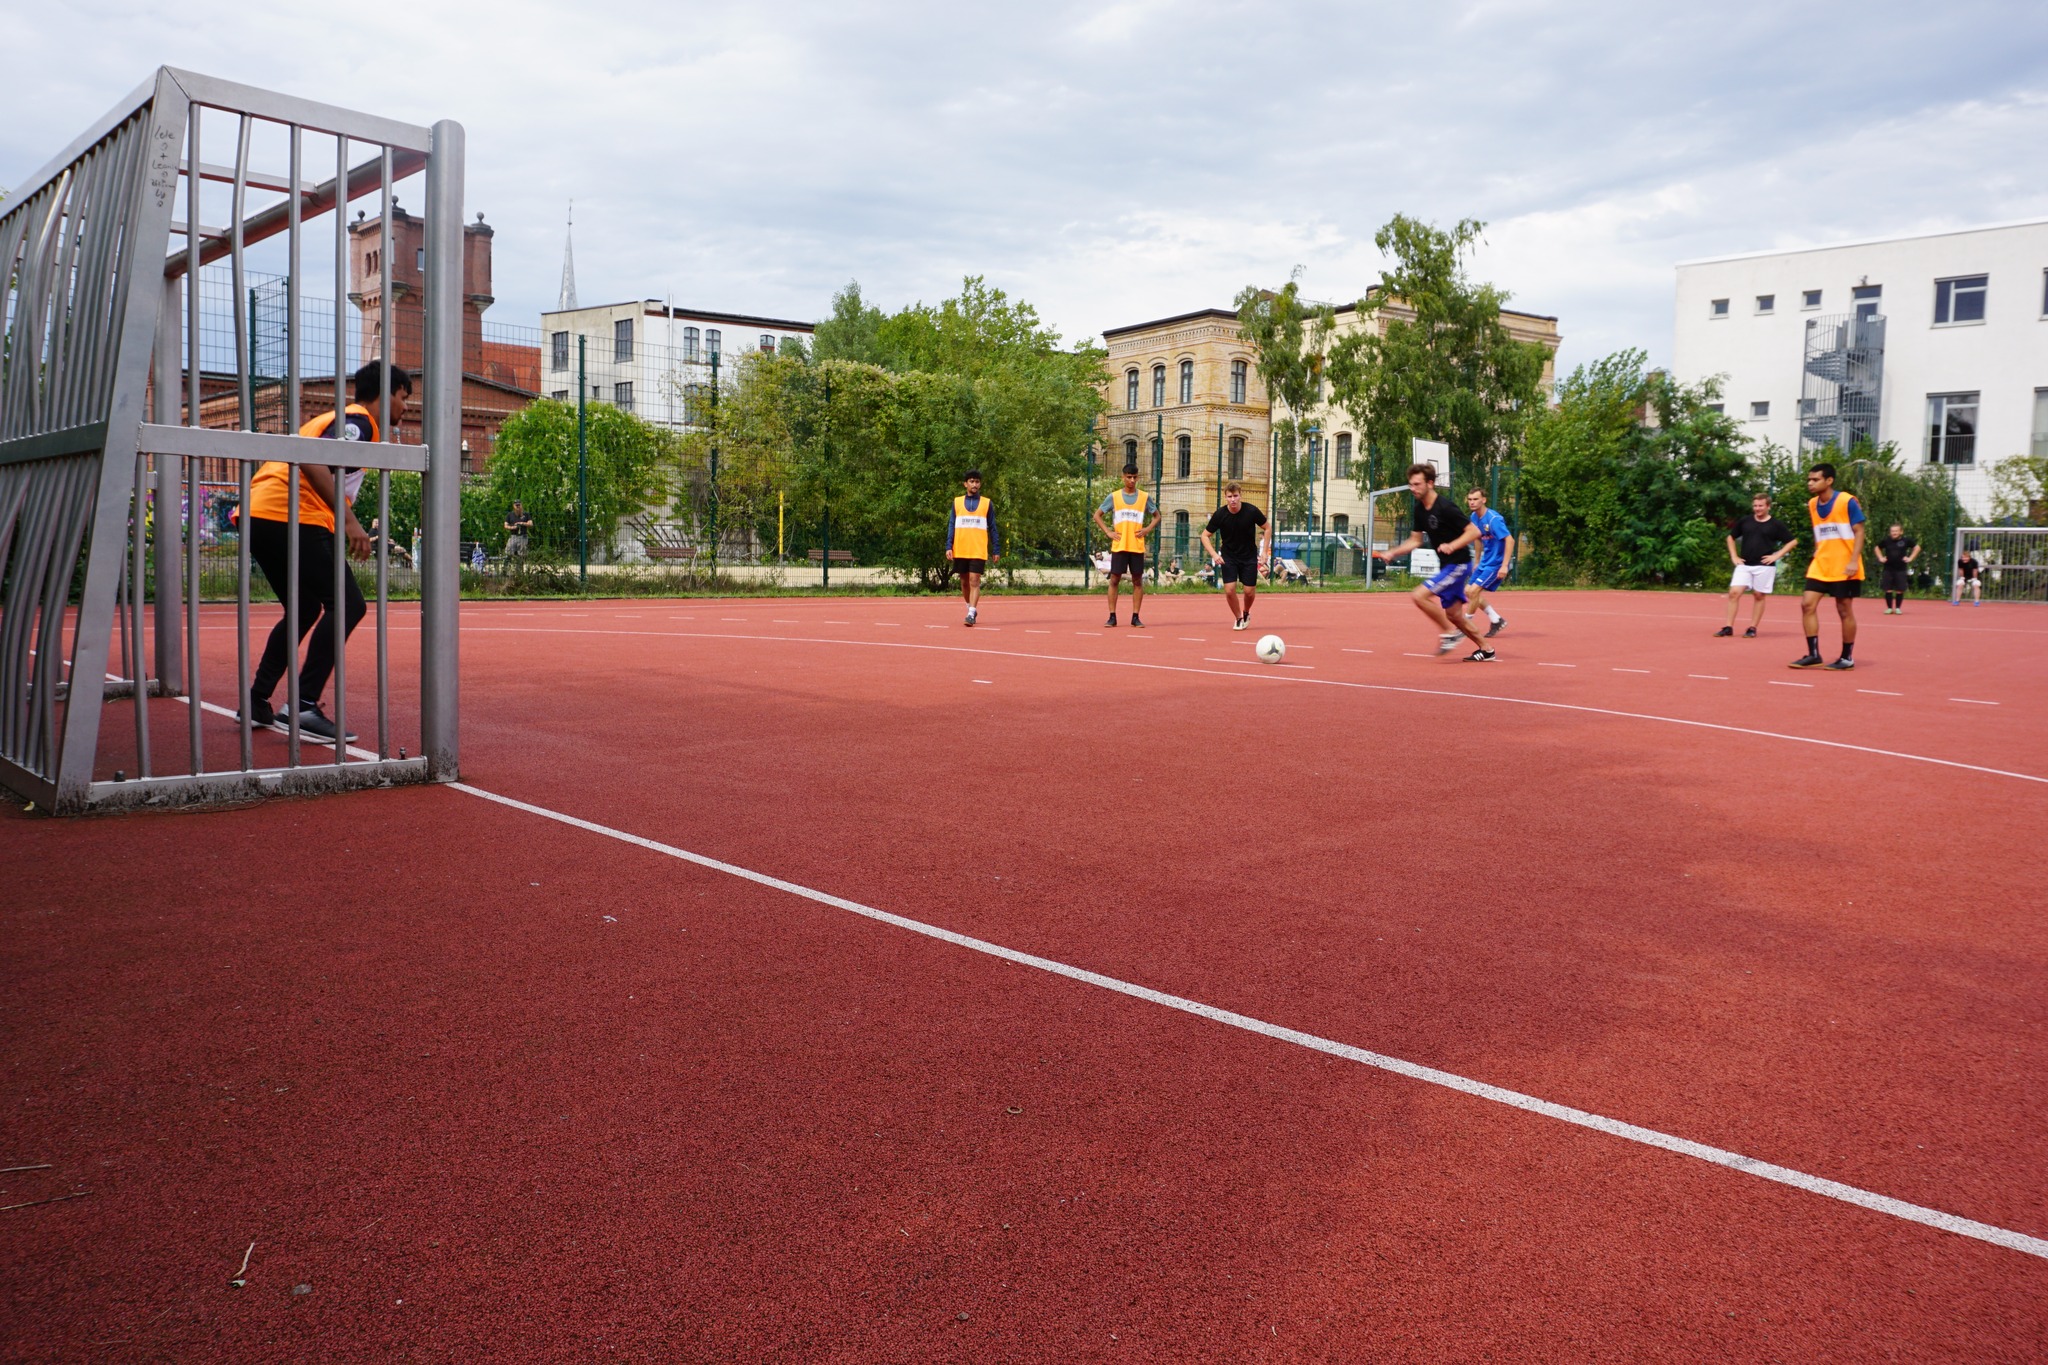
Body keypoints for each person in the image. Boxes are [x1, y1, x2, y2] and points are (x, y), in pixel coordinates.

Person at [240, 361, 410, 744]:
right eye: (403, 398)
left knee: (305, 607)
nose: (405, 408)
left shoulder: (344, 419)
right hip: (288, 512)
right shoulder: (360, 421)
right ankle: (302, 704)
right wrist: (349, 521)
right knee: (349, 604)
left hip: (259, 512)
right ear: (387, 392)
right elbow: (317, 460)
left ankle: (257, 698)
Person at [1374, 463, 1490, 661]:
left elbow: (1474, 532)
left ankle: (1449, 634)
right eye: (1410, 485)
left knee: (1419, 596)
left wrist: (1452, 545)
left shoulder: (1445, 507)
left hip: (1459, 564)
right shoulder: (1419, 509)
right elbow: (1415, 540)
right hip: (1446, 565)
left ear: (1430, 483)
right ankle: (1486, 649)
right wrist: (1393, 552)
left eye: (1417, 484)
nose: (1413, 489)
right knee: (1454, 615)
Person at [1790, 461, 1864, 670]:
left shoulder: (1847, 501)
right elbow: (1820, 530)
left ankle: (1847, 657)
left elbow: (1859, 532)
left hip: (1844, 565)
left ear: (1829, 480)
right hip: (1821, 563)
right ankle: (1814, 654)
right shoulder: (1813, 504)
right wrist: (1817, 549)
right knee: (1807, 604)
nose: (1810, 483)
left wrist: (1853, 561)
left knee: (1844, 609)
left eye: (1815, 479)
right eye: (1809, 480)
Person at [1717, 493, 1796, 637]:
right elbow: (1730, 537)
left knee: (1759, 595)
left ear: (1768, 506)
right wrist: (1734, 556)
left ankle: (1752, 628)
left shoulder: (1776, 524)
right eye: (1755, 506)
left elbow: (1792, 541)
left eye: (1760, 506)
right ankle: (1728, 627)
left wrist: (1777, 555)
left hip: (1764, 566)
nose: (1757, 509)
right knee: (1734, 593)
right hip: (1744, 565)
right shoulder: (1745, 521)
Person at [1092, 463, 1158, 628]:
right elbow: (1097, 515)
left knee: (1137, 581)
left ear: (1138, 478)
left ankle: (1135, 617)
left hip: (1136, 545)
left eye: (1134, 477)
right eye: (1129, 477)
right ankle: (1112, 616)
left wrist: (1147, 529)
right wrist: (1108, 532)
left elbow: (1157, 516)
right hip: (1120, 544)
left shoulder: (1144, 497)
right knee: (1114, 579)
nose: (1132, 480)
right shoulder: (1114, 497)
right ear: (1123, 477)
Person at [1200, 482, 1270, 630]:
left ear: (1240, 496)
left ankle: (1246, 612)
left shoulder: (1251, 511)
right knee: (1230, 590)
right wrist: (1214, 554)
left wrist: (1264, 552)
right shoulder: (1220, 514)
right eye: (1230, 496)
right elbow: (1205, 536)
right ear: (1225, 497)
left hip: (1249, 556)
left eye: (1235, 496)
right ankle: (1238, 618)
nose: (1233, 499)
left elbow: (1267, 527)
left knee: (1249, 592)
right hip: (1229, 556)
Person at [945, 469, 1000, 626]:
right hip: (961, 548)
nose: (974, 484)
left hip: (978, 549)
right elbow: (951, 524)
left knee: (974, 580)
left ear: (980, 484)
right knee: (964, 582)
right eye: (971, 481)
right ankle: (971, 608)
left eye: (977, 481)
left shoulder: (987, 503)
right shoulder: (956, 502)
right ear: (965, 484)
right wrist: (949, 545)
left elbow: (993, 527)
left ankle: (970, 613)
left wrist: (996, 548)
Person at [1462, 487, 1515, 637]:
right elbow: (1477, 538)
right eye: (1470, 499)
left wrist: (1504, 565)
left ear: (1483, 500)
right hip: (1485, 562)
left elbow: (1510, 540)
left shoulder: (1493, 519)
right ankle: (1496, 619)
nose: (1472, 502)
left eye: (1475, 499)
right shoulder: (1474, 517)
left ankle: (1465, 625)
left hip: (1496, 563)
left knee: (1473, 591)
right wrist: (1477, 561)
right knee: (1468, 591)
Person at [1876, 523, 1919, 613]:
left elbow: (1917, 548)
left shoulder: (1906, 541)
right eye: (1892, 531)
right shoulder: (1886, 541)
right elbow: (1877, 548)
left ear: (1901, 532)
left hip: (1901, 569)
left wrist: (1910, 558)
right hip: (1888, 568)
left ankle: (1898, 608)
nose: (1894, 533)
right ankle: (1889, 608)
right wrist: (1880, 557)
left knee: (1900, 589)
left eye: (1896, 531)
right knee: (1888, 589)